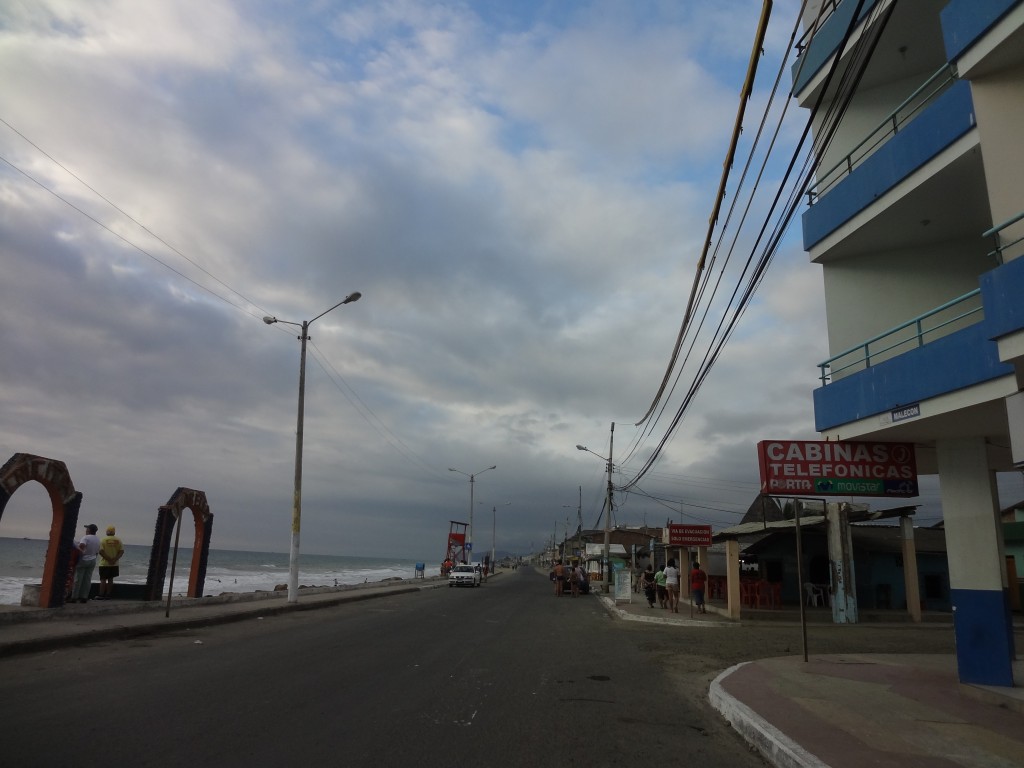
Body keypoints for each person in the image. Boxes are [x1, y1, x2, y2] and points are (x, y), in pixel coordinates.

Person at [71, 523, 101, 603]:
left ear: (89, 530)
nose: (86, 530)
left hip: (84, 559)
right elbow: (97, 552)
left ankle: (74, 597)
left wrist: (79, 550)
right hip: (93, 560)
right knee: (87, 579)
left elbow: (81, 547)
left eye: (87, 528)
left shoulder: (86, 538)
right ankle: (84, 597)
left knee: (78, 579)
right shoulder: (98, 539)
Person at [96, 525, 124, 600]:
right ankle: (108, 595)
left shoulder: (103, 540)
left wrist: (109, 559)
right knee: (111, 579)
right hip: (114, 564)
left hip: (104, 563)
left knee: (103, 579)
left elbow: (101, 551)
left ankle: (101, 595)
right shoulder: (118, 540)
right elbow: (121, 551)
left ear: (107, 532)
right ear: (114, 532)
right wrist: (114, 559)